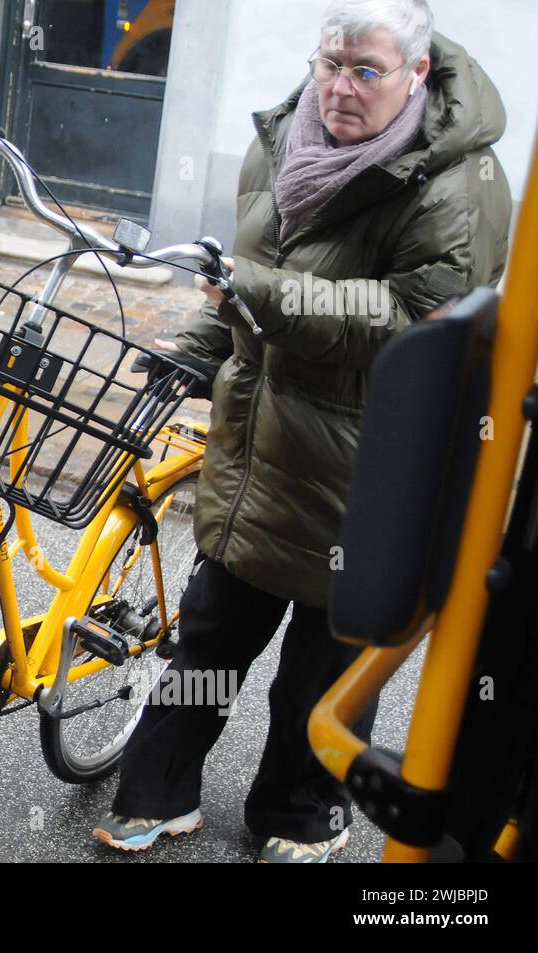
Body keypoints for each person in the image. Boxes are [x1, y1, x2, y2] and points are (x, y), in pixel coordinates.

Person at [93, 0, 511, 862]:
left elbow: (412, 320)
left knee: (316, 675)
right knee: (209, 641)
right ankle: (157, 791)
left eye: (367, 71)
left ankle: (296, 809)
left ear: (418, 73)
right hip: (258, 451)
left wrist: (262, 295)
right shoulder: (286, 136)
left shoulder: (456, 185)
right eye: (331, 63)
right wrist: (200, 344)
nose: (340, 87)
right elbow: (247, 277)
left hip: (369, 471)